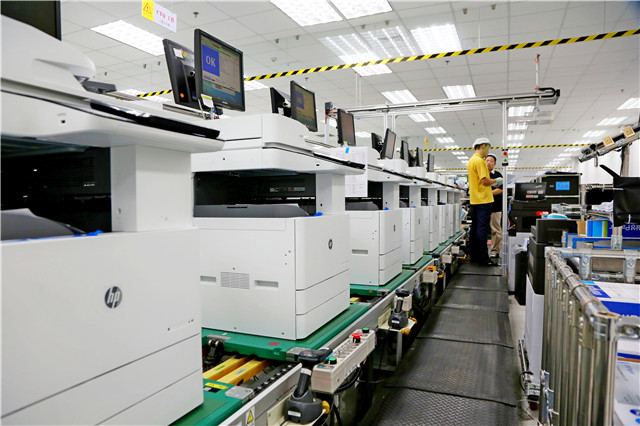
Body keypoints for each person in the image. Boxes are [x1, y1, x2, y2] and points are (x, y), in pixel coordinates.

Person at [467, 138, 501, 266]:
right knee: (482, 230)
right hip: (484, 200)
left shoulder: (471, 160)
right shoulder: (480, 161)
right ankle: (483, 259)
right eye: (488, 148)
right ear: (483, 146)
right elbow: (484, 180)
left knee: (475, 229)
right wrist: (496, 181)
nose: (488, 151)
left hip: (475, 200)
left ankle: (474, 256)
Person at [485, 153, 503, 259]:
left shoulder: (498, 175)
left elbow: (500, 189)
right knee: (482, 229)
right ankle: (481, 250)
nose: (489, 163)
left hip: (495, 206)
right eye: (487, 161)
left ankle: (495, 250)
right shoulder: (482, 174)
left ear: (494, 163)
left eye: (491, 161)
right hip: (482, 206)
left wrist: (487, 193)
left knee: (495, 229)